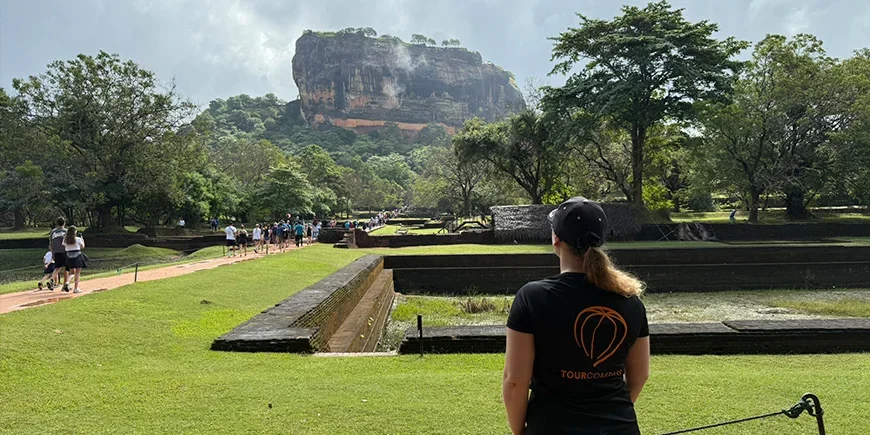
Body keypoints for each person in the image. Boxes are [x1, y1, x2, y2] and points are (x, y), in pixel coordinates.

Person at [503, 197, 649, 435]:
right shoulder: (630, 301)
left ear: (556, 239)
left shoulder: (532, 297)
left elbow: (515, 381)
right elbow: (640, 375)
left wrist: (520, 431)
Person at [62, 226, 87, 294]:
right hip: (77, 255)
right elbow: (82, 246)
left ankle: (67, 282)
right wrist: (82, 239)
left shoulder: (65, 240)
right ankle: (76, 288)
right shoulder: (78, 239)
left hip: (69, 256)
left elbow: (64, 246)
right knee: (77, 273)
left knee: (71, 272)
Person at [48, 217, 68, 292]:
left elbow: (50, 243)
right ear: (64, 223)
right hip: (64, 251)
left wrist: (52, 252)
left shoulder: (53, 232)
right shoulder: (66, 231)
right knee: (66, 268)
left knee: (57, 267)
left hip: (56, 251)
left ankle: (52, 279)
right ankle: (65, 285)